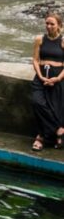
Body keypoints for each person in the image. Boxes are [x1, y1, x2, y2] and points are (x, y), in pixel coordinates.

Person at [30, 12, 64, 152]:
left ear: (59, 25)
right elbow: (35, 60)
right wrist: (40, 76)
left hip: (58, 78)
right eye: (47, 23)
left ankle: (41, 137)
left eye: (52, 24)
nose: (48, 26)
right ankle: (59, 130)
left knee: (54, 107)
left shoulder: (63, 41)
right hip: (41, 77)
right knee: (37, 102)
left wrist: (58, 78)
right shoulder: (40, 39)